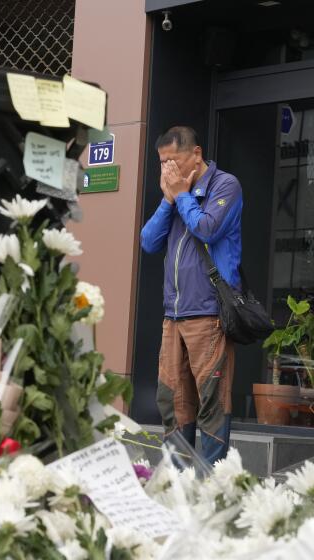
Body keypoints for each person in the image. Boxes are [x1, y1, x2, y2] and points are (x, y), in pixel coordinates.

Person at [140, 126, 243, 464]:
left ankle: (212, 486)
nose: (167, 169)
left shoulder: (224, 185)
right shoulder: (175, 195)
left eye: (174, 160)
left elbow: (207, 228)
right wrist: (170, 199)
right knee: (173, 399)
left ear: (196, 154)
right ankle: (177, 484)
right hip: (173, 316)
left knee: (212, 402)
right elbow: (149, 241)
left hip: (209, 314)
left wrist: (182, 195)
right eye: (162, 163)